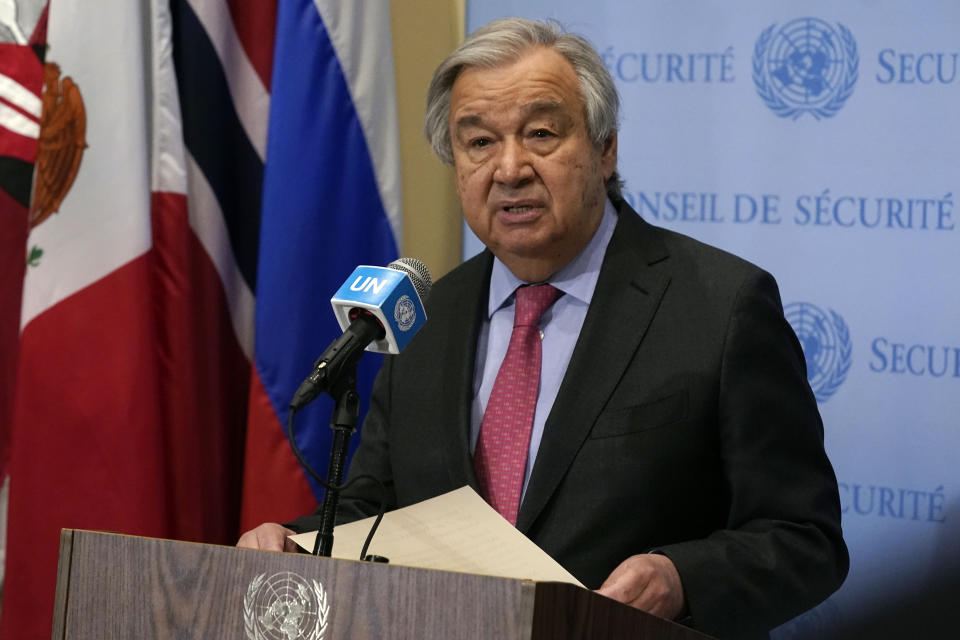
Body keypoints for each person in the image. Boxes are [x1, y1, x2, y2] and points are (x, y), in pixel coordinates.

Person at [238, 18, 848, 638]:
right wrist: (297, 542)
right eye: (478, 143)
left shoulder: (721, 306)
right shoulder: (425, 317)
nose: (509, 168)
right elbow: (378, 507)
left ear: (604, 148)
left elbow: (805, 539)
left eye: (540, 134)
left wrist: (682, 577)